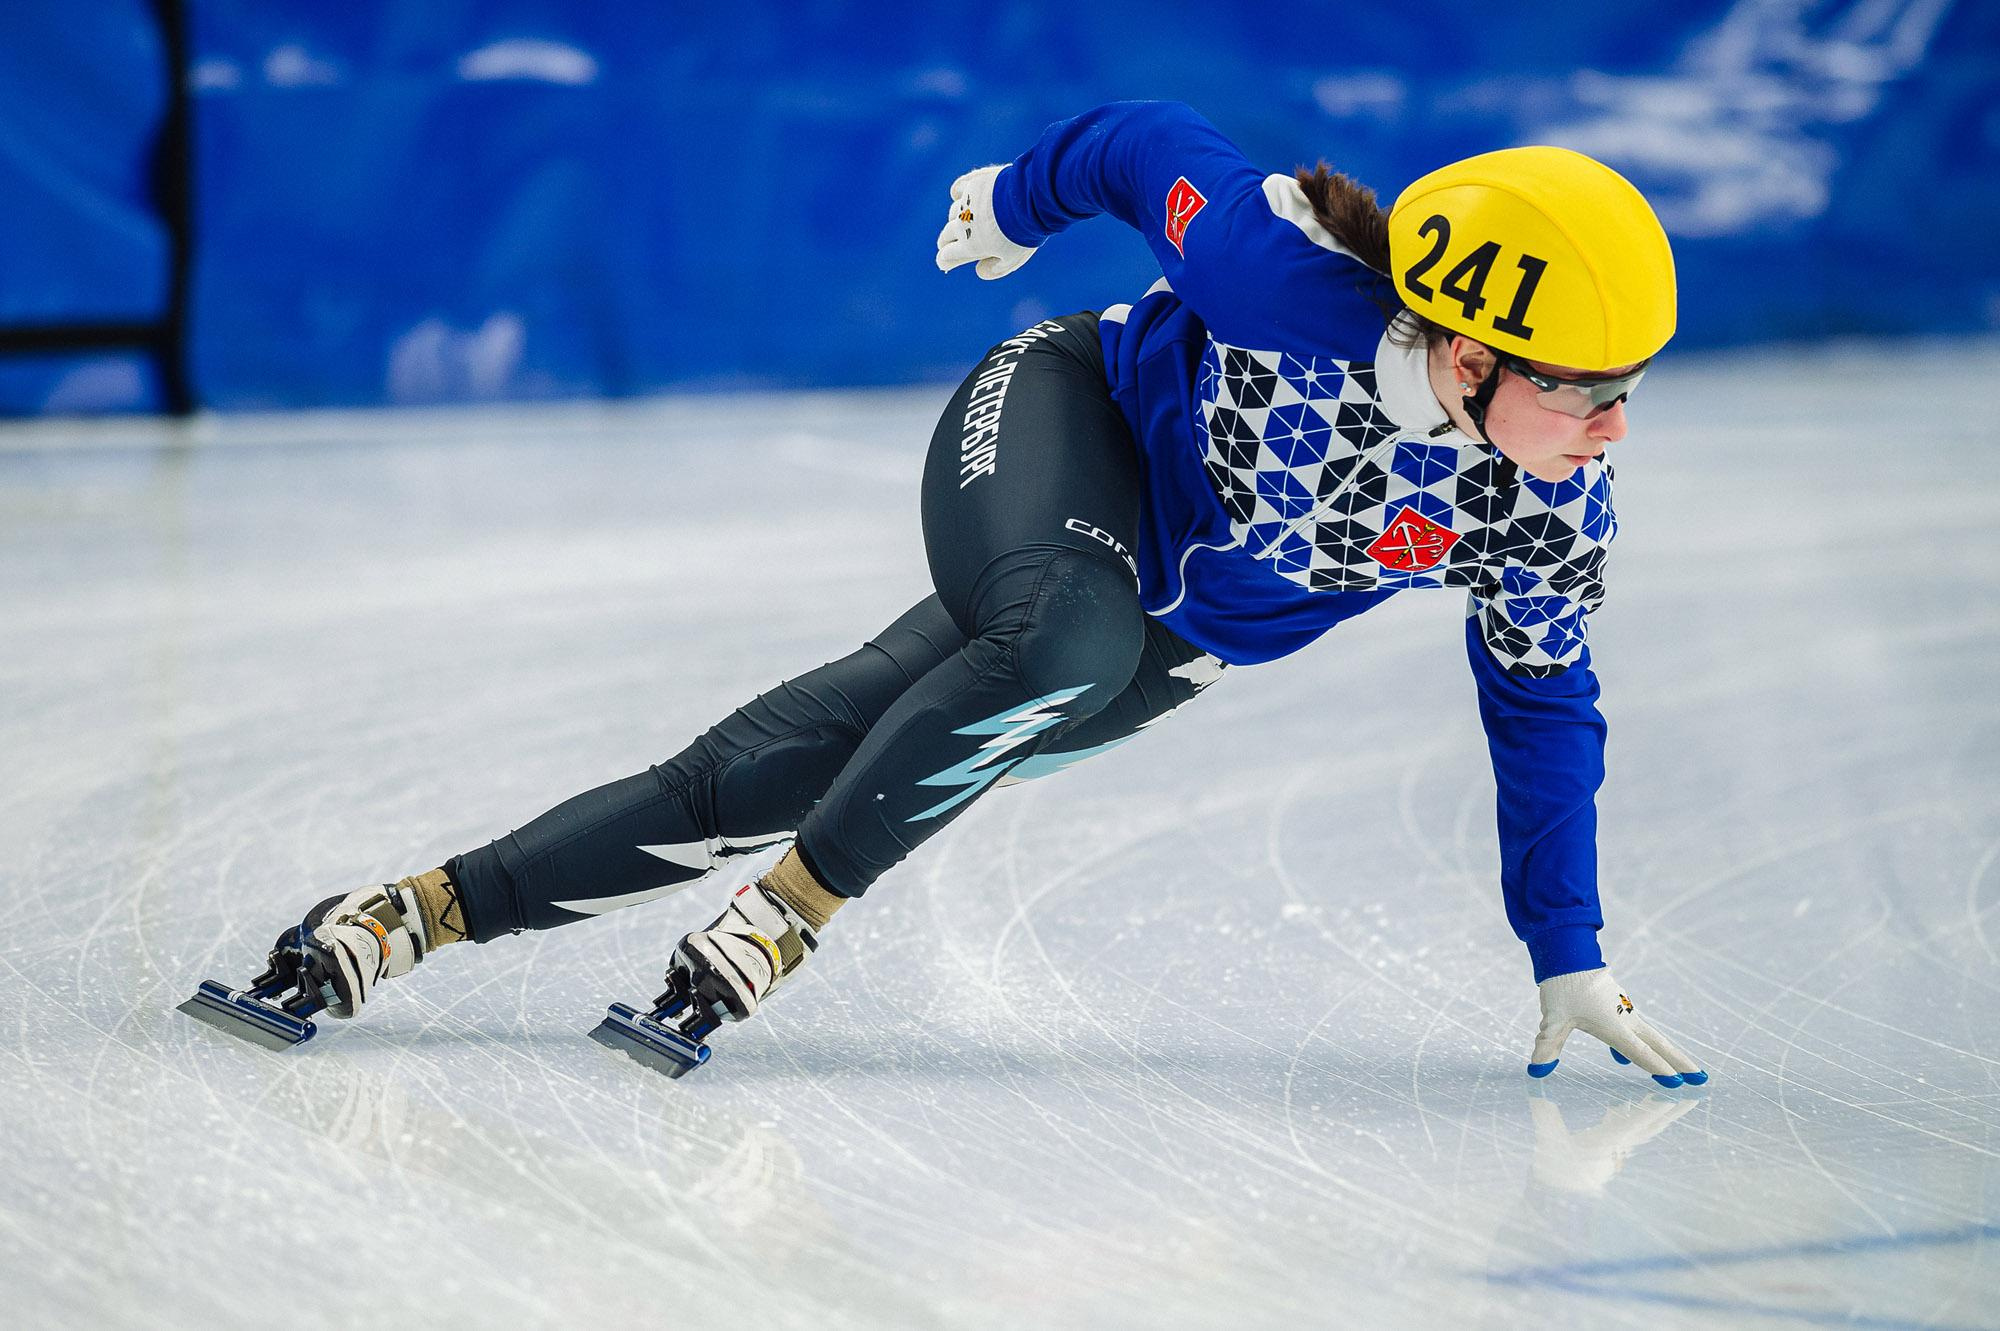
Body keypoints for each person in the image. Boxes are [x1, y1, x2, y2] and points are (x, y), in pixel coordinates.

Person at [291, 101, 1707, 1086]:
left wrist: (1566, 946)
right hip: (1063, 418)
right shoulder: (1289, 289)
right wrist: (1012, 200)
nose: (1615, 430)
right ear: (1469, 357)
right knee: (1062, 644)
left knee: (815, 748)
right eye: (1589, 393)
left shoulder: (1547, 507)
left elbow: (1543, 708)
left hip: (1176, 633)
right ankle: (785, 920)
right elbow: (1145, 140)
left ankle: (420, 910)